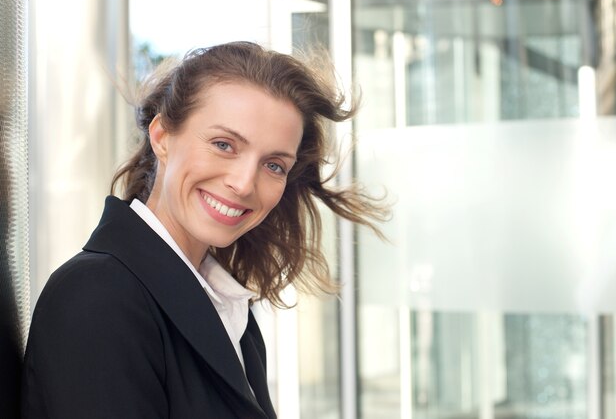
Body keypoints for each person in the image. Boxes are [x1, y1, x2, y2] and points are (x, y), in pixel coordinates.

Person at [21, 41, 387, 419]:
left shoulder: (225, 306)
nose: (244, 183)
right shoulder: (98, 297)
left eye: (274, 165)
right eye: (224, 145)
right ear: (161, 136)